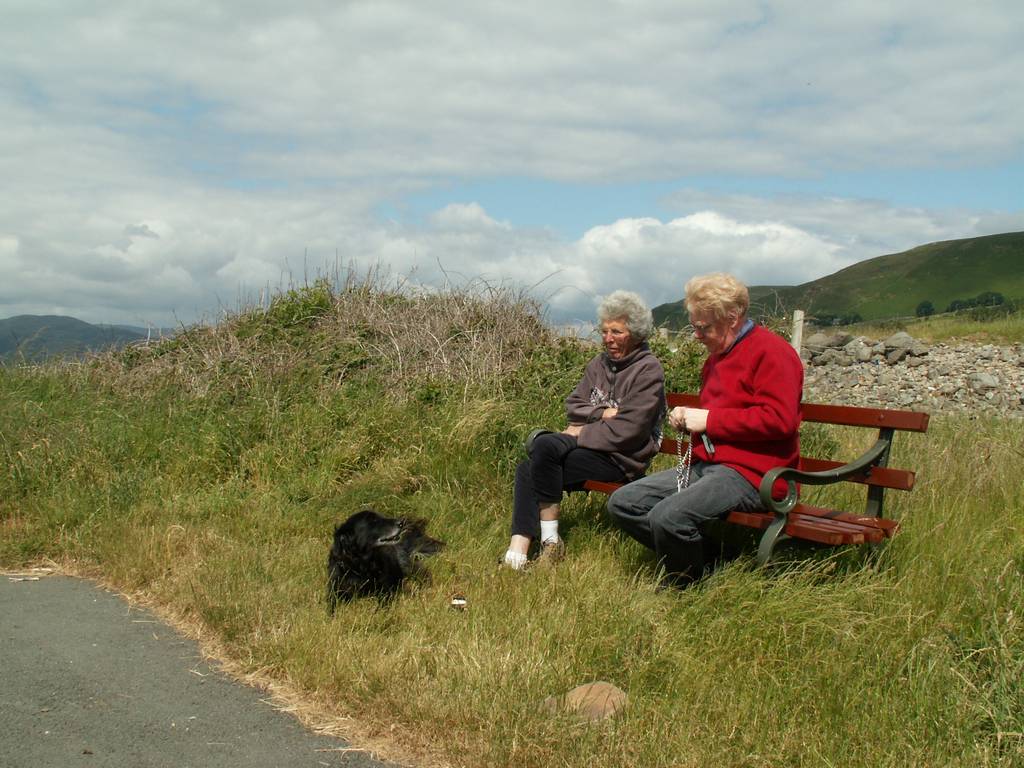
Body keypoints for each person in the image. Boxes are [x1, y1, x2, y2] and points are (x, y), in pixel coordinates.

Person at [606, 273, 803, 586]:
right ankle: (716, 559)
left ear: (733, 318)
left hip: (754, 475)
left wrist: (709, 420)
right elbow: (720, 415)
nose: (697, 335)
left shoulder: (772, 352)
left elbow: (780, 420)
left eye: (704, 327)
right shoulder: (715, 359)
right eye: (694, 326)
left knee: (668, 517)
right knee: (623, 503)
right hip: (708, 466)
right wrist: (687, 418)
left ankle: (682, 584)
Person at [501, 290, 666, 570]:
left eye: (617, 331)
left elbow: (630, 431)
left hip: (620, 460)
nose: (608, 338)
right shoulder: (599, 364)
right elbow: (574, 406)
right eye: (604, 331)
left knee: (534, 462)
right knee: (538, 456)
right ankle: (531, 548)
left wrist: (580, 431)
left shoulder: (648, 370)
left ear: (636, 334)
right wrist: (602, 413)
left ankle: (538, 548)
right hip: (591, 450)